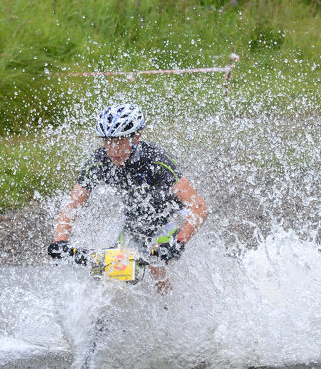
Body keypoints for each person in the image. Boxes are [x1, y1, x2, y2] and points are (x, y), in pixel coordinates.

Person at [47, 103, 208, 278]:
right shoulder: (99, 161)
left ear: (136, 137)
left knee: (156, 267)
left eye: (119, 141)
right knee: (104, 270)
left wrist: (178, 243)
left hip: (169, 219)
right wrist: (60, 241)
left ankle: (166, 304)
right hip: (135, 219)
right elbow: (72, 205)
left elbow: (199, 207)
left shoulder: (156, 159)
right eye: (107, 142)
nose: (113, 150)